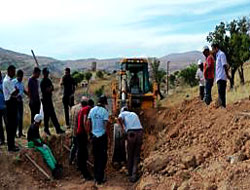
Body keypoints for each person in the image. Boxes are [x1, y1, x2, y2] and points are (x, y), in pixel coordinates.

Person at [27, 114, 62, 179]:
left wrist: (43, 142)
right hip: (32, 143)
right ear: (39, 121)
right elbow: (33, 139)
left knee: (48, 149)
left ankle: (55, 164)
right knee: (46, 153)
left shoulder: (35, 126)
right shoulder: (33, 127)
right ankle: (54, 169)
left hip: (36, 141)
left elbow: (38, 137)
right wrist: (41, 144)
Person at [87, 95, 109, 185]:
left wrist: (89, 134)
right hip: (102, 137)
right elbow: (105, 125)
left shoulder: (92, 110)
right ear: (104, 103)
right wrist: (108, 136)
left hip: (94, 136)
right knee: (102, 158)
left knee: (96, 157)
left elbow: (88, 122)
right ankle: (100, 178)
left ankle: (96, 178)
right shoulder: (105, 111)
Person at [118, 107, 143, 182]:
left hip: (131, 133)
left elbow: (119, 119)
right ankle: (134, 174)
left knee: (130, 154)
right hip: (140, 133)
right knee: (136, 155)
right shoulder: (134, 114)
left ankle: (129, 173)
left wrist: (123, 129)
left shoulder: (122, 113)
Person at [40, 68, 65, 135]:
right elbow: (47, 90)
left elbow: (52, 88)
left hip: (49, 99)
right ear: (44, 73)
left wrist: (50, 88)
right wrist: (49, 88)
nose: (47, 74)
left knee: (52, 115)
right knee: (46, 116)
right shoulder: (42, 82)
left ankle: (57, 128)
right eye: (46, 73)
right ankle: (46, 129)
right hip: (45, 100)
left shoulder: (48, 80)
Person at [3, 65, 20, 152]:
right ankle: (11, 146)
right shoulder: (7, 81)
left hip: (11, 103)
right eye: (13, 71)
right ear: (9, 71)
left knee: (13, 125)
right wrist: (16, 91)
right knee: (11, 126)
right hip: (10, 104)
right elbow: (14, 92)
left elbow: (15, 92)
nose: (14, 73)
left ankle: (12, 144)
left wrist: (16, 92)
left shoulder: (9, 80)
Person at [76, 96, 92, 180]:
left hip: (79, 133)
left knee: (82, 152)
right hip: (82, 133)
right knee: (82, 153)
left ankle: (82, 169)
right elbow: (85, 121)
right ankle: (85, 173)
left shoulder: (81, 109)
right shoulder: (86, 109)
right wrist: (88, 134)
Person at [69, 97, 87, 165]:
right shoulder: (81, 110)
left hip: (73, 129)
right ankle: (78, 162)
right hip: (78, 131)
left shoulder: (73, 108)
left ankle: (71, 159)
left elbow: (70, 119)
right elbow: (82, 122)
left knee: (74, 145)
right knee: (79, 147)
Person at [212, 43, 230, 108]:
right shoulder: (217, 55)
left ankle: (223, 107)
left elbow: (224, 65)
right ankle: (222, 108)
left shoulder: (221, 54)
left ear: (216, 48)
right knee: (220, 93)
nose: (213, 50)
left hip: (222, 77)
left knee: (221, 94)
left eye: (213, 49)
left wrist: (227, 75)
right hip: (219, 77)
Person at [13, 69, 28, 138]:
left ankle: (20, 133)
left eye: (22, 76)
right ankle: (14, 133)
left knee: (20, 118)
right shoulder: (13, 82)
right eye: (20, 76)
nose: (21, 78)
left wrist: (29, 94)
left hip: (20, 101)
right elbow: (11, 92)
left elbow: (23, 91)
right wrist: (16, 97)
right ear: (17, 75)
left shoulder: (21, 83)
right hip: (14, 101)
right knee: (15, 118)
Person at [0, 71, 7, 145]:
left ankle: (9, 139)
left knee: (7, 124)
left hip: (5, 107)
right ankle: (2, 140)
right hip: (3, 107)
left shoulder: (4, 84)